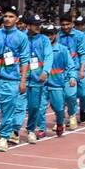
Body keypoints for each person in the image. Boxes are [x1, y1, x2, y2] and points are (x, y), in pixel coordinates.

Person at [0, 5, 29, 152]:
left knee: (8, 111)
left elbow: (25, 60)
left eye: (11, 17)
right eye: (6, 16)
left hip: (12, 80)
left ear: (16, 19)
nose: (8, 19)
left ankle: (3, 137)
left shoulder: (22, 37)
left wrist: (22, 81)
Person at [41, 22, 77, 138]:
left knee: (58, 108)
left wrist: (72, 77)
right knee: (39, 107)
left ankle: (60, 123)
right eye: (46, 34)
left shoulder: (62, 50)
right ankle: (41, 128)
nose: (48, 37)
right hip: (41, 84)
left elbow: (70, 65)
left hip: (56, 84)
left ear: (55, 35)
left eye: (51, 34)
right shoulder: (39, 49)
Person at [19, 14, 50, 143]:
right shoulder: (21, 37)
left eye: (39, 24)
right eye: (35, 24)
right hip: (20, 78)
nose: (38, 27)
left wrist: (46, 71)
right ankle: (13, 130)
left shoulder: (44, 39)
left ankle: (31, 130)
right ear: (28, 25)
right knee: (18, 106)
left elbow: (49, 56)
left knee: (34, 107)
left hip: (37, 79)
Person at [57, 14, 85, 129]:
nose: (65, 27)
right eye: (63, 24)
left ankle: (72, 115)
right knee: (59, 97)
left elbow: (83, 54)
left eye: (68, 24)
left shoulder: (79, 36)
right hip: (59, 71)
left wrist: (82, 70)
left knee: (71, 95)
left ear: (72, 24)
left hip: (73, 70)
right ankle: (60, 119)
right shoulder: (57, 35)